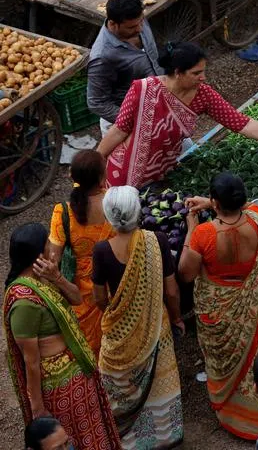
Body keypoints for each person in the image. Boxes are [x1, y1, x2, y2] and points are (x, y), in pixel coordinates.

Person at [96, 42, 258, 188]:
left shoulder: (203, 96)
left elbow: (242, 123)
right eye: (196, 73)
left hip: (162, 172)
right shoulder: (143, 90)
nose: (203, 78)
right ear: (178, 72)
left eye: (203, 71)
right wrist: (95, 162)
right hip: (123, 171)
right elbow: (119, 130)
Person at [178, 172, 258, 439]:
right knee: (253, 355)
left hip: (219, 308)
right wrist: (212, 203)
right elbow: (248, 207)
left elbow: (186, 274)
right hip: (250, 305)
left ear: (216, 202)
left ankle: (233, 412)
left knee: (224, 358)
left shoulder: (203, 234)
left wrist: (190, 228)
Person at [5, 223, 120, 450]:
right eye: (49, 244)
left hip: (77, 377)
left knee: (90, 434)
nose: (53, 248)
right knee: (71, 440)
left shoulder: (45, 279)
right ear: (39, 254)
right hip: (59, 389)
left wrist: (57, 277)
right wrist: (37, 408)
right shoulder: (23, 302)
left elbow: (77, 299)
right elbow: (31, 360)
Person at [92, 186, 183, 449]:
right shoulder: (158, 242)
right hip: (157, 325)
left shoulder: (102, 251)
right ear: (139, 212)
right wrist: (176, 318)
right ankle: (165, 435)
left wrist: (119, 316)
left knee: (118, 384)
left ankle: (126, 436)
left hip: (119, 331)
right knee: (159, 384)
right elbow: (172, 290)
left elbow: (99, 299)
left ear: (110, 217)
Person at [44, 150, 114, 355]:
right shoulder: (114, 202)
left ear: (72, 177)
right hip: (114, 280)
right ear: (102, 178)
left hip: (81, 293)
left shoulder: (63, 212)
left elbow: (53, 258)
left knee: (88, 345)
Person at [86, 0, 161, 134]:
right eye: (132, 27)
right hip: (126, 126)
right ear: (113, 24)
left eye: (141, 21)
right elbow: (96, 103)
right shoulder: (102, 56)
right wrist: (135, 121)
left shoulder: (137, 21)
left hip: (156, 108)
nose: (140, 28)